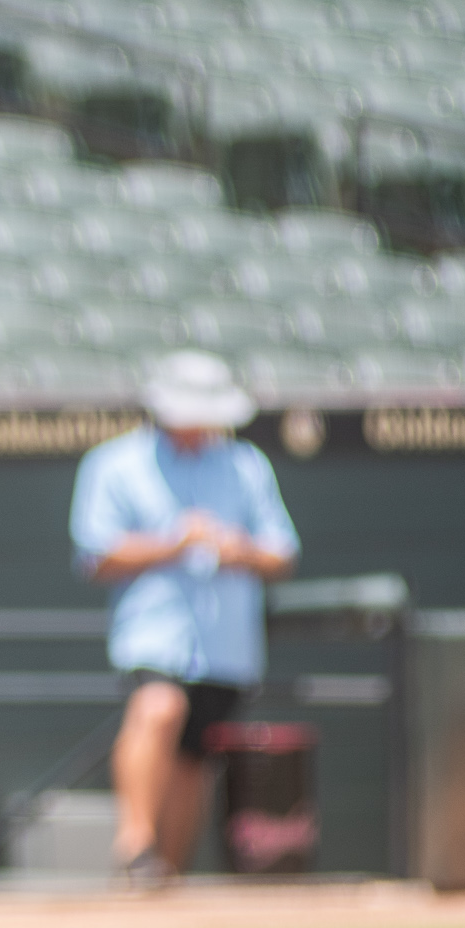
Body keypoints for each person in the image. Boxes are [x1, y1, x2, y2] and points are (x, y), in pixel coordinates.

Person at [70, 351, 299, 887]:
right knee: (159, 707)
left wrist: (232, 547)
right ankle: (134, 844)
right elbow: (96, 553)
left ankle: (161, 880)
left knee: (194, 758)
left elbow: (280, 553)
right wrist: (174, 544)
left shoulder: (246, 466)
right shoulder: (114, 463)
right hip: (154, 632)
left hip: (226, 643)